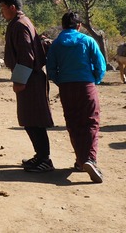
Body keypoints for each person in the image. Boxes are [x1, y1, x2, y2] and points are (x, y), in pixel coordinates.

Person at [46, 11, 106, 183]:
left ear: (63, 26)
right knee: (91, 122)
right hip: (86, 85)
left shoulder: (57, 44)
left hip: (66, 87)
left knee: (73, 123)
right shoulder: (87, 41)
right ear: (79, 26)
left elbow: (51, 68)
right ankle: (90, 159)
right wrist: (95, 80)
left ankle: (81, 161)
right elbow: (100, 65)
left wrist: (61, 81)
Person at [0, 0, 55, 173]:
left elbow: (26, 56)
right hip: (31, 78)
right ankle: (40, 156)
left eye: (3, 9)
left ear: (12, 8)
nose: (2, 13)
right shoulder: (20, 23)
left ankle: (45, 159)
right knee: (30, 119)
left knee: (34, 119)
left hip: (30, 79)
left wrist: (20, 80)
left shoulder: (21, 25)